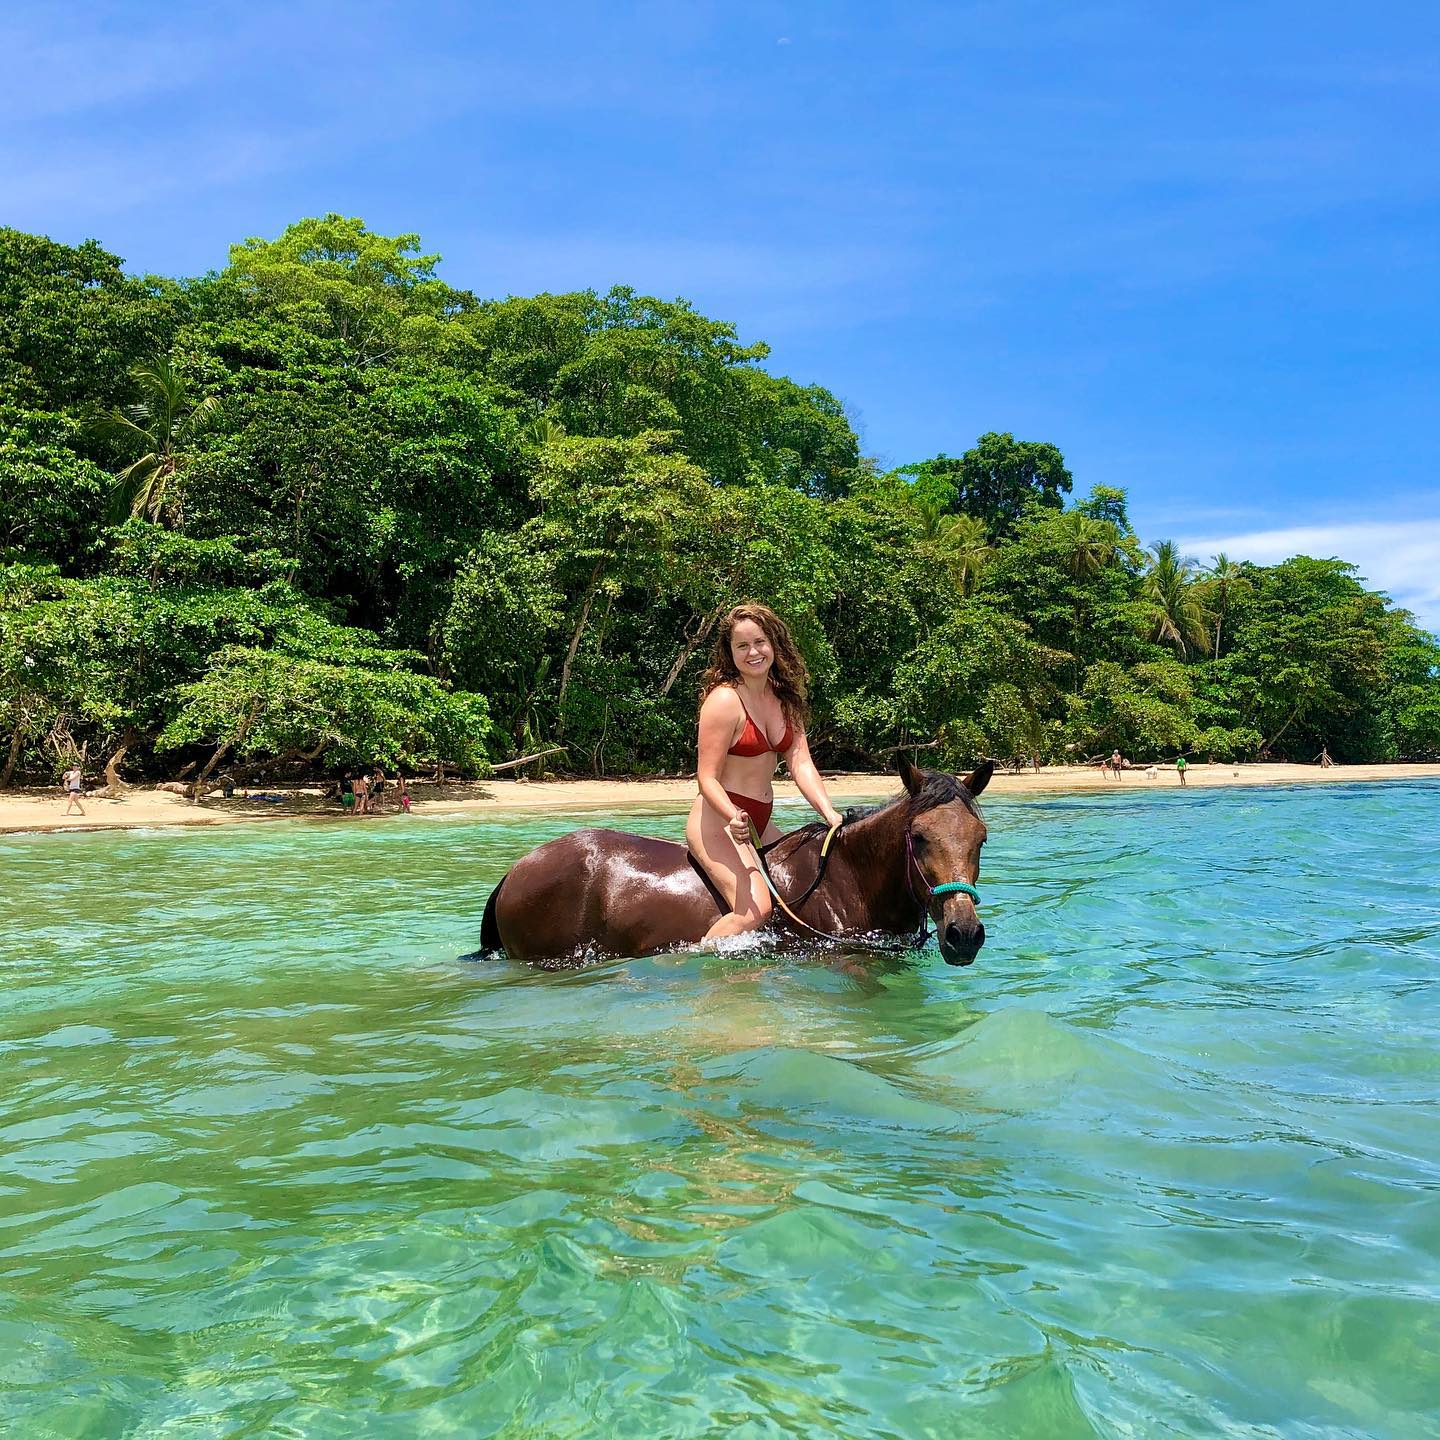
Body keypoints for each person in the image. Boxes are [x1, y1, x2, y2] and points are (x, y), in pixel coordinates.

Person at [686, 602, 844, 942]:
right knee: (755, 911)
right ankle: (691, 963)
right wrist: (732, 816)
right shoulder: (724, 701)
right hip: (719, 821)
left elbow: (800, 762)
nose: (753, 652)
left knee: (813, 884)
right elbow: (706, 778)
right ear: (730, 653)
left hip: (761, 821)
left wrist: (829, 812)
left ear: (773, 643)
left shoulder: (785, 699)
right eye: (742, 645)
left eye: (759, 642)